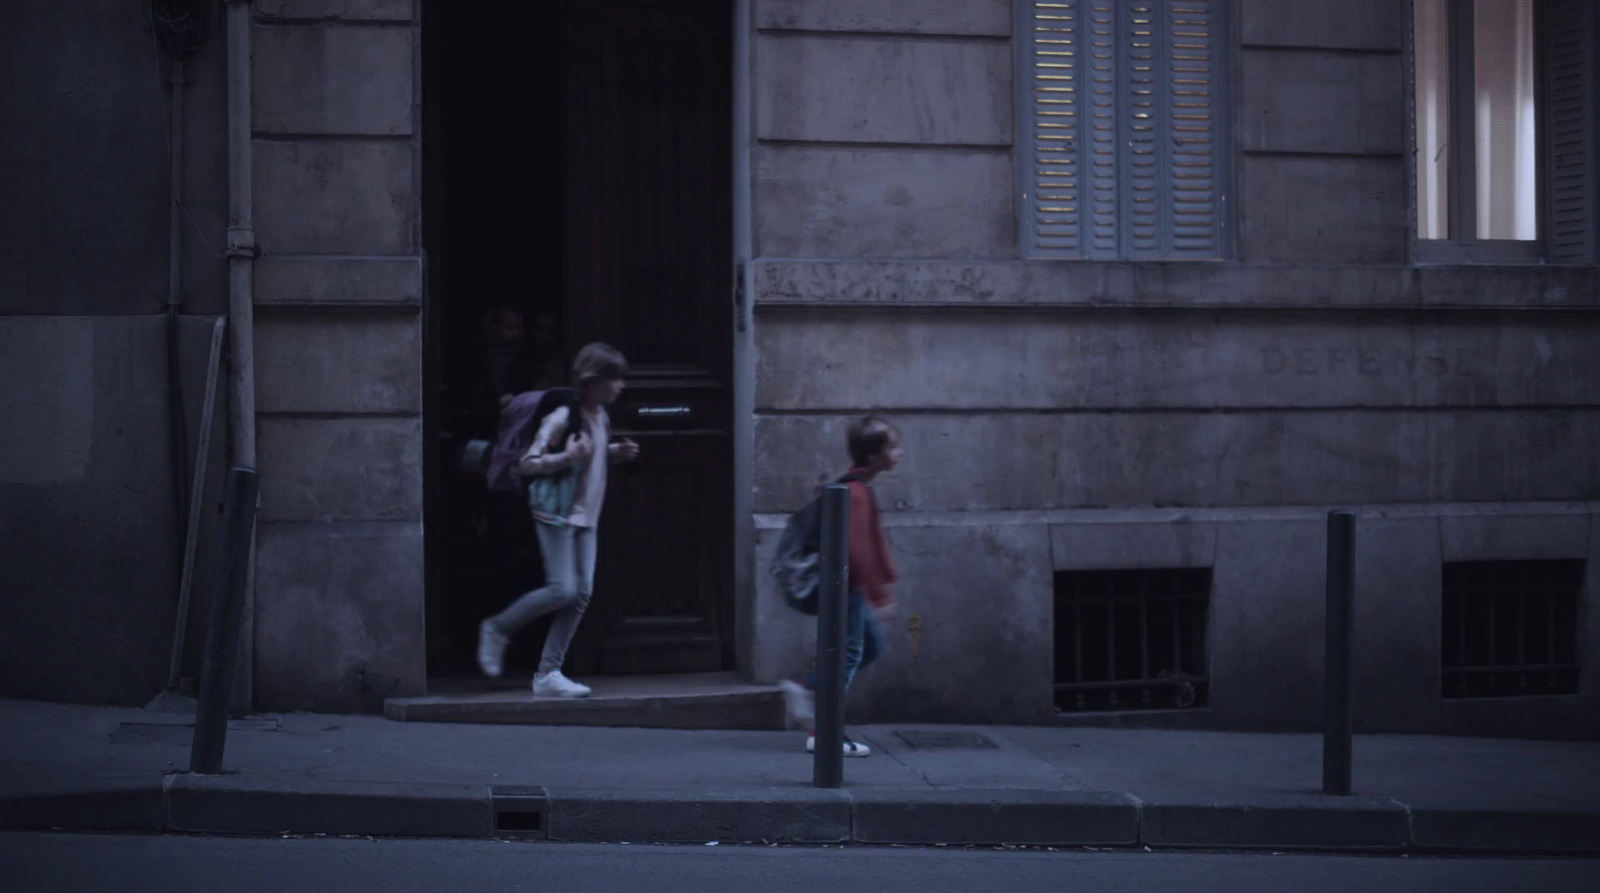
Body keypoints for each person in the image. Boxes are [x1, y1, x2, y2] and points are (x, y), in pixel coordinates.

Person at [474, 342, 641, 697]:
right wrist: (564, 457)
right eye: (614, 378)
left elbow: (590, 455)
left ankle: (548, 674)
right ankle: (498, 628)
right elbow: (528, 463)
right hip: (556, 514)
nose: (620, 385)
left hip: (586, 517)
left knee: (580, 594)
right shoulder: (563, 416)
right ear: (593, 380)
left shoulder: (601, 416)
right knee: (561, 589)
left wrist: (615, 453)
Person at [780, 416, 903, 757]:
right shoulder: (856, 493)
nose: (899, 452)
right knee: (848, 655)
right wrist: (880, 595)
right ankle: (825, 733)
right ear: (874, 454)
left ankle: (806, 687)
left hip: (853, 589)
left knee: (871, 648)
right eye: (892, 446)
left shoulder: (860, 488)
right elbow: (859, 549)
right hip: (848, 589)